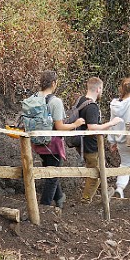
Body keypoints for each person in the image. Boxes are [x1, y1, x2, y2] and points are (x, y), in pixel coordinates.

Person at [33, 71, 85, 209]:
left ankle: (60, 197)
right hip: (52, 144)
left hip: (37, 141)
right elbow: (59, 126)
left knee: (50, 170)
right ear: (54, 83)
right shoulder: (55, 101)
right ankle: (44, 206)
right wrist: (76, 124)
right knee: (52, 175)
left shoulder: (33, 98)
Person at [75, 77, 123, 201]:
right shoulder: (92, 107)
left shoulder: (80, 100)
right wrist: (111, 123)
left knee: (98, 167)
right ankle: (85, 201)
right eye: (101, 89)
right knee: (94, 174)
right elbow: (92, 127)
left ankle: (105, 191)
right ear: (98, 89)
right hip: (90, 145)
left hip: (80, 142)